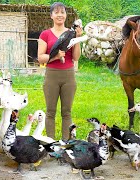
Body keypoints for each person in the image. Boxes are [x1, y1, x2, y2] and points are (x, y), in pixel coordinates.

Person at [37, 2, 82, 140]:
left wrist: (78, 39)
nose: (60, 15)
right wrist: (55, 56)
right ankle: (51, 143)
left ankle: (65, 143)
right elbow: (40, 58)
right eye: (56, 12)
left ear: (66, 15)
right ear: (51, 16)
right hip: (51, 76)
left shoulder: (71, 33)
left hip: (69, 76)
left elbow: (75, 57)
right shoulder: (45, 34)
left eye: (62, 12)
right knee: (50, 112)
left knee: (67, 112)